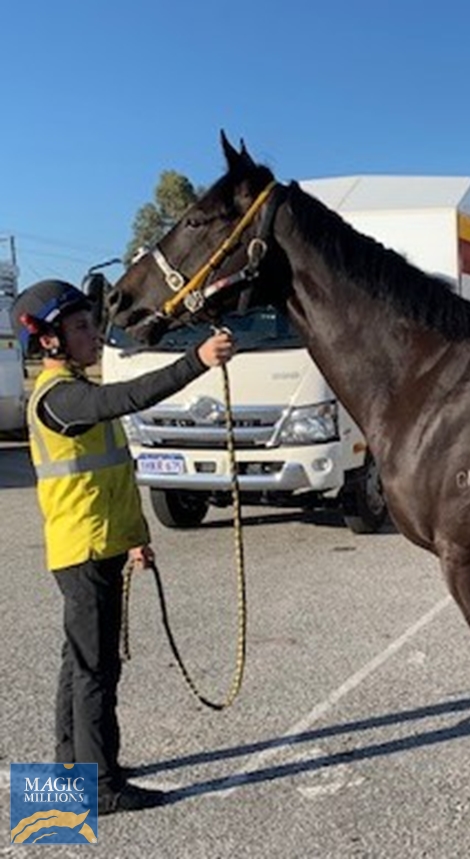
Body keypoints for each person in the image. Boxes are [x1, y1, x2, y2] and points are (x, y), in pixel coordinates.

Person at [11, 279, 234, 814]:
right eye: (82, 327)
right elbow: (127, 397)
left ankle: (73, 769)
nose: (94, 335)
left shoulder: (75, 393)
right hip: (84, 549)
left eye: (92, 323)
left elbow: (111, 478)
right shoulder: (62, 398)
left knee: (80, 664)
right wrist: (196, 361)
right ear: (49, 341)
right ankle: (100, 787)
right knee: (96, 670)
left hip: (98, 543)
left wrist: (136, 540)